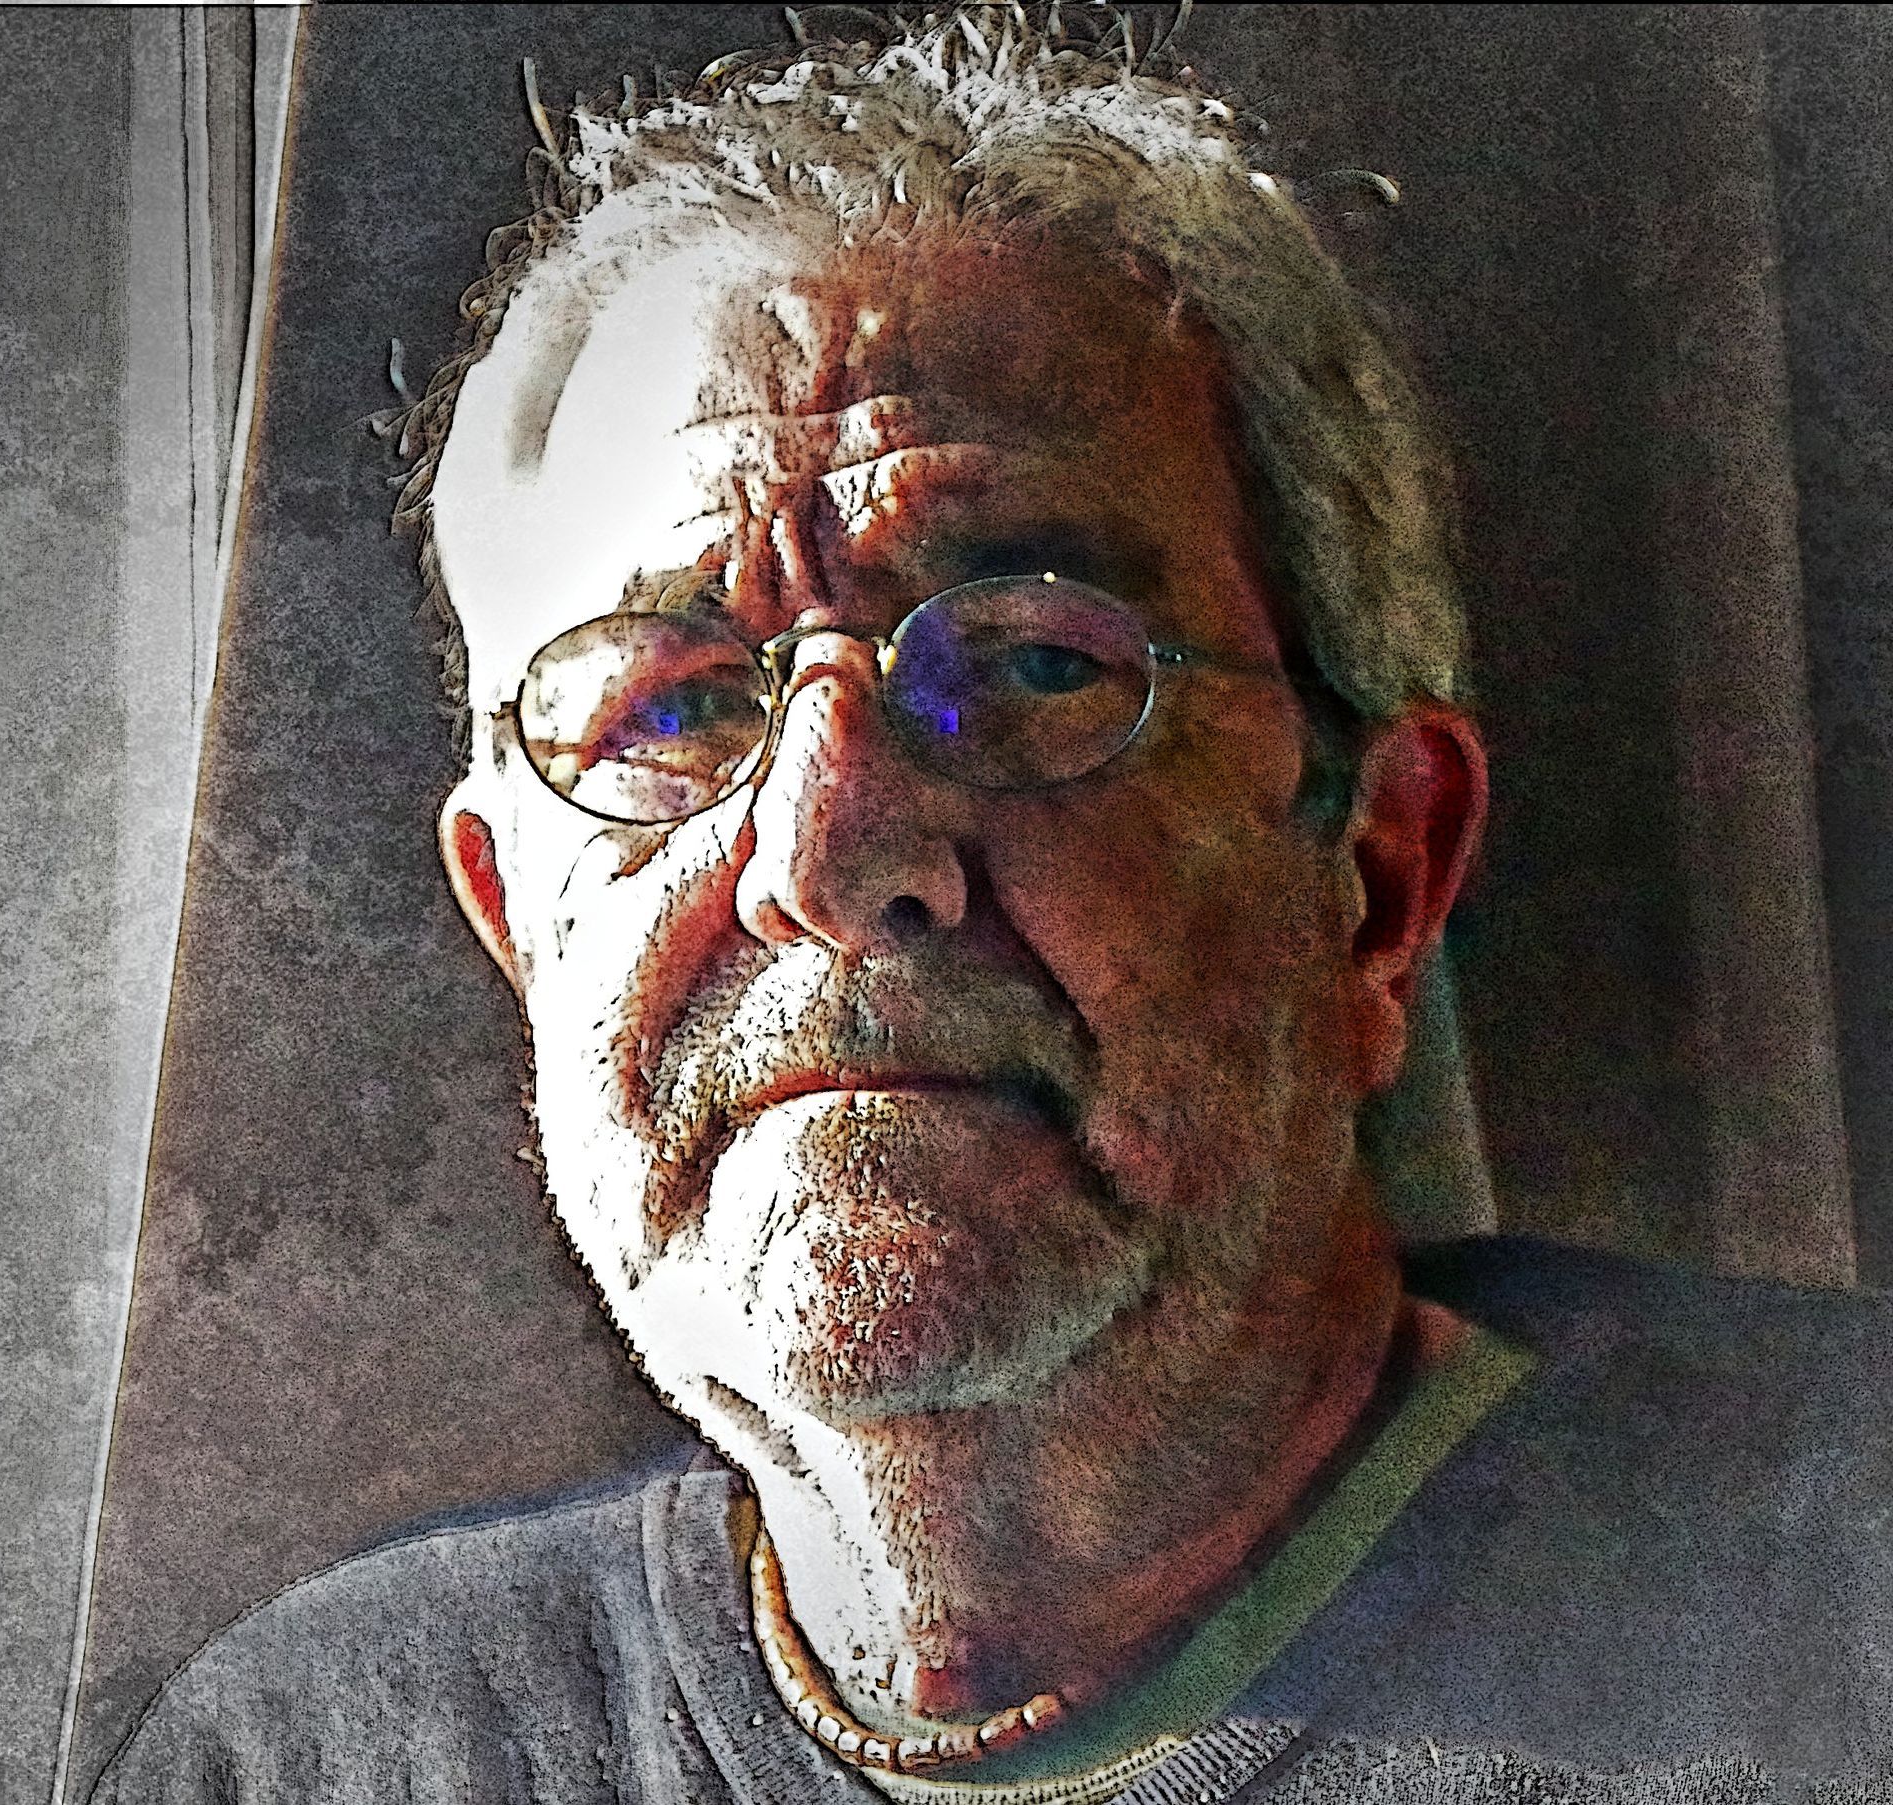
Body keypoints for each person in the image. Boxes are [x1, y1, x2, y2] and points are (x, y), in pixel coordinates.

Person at [96, 10, 1893, 1803]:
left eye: (1031, 662)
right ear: (517, 927)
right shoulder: (310, 1757)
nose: (826, 854)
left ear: (1378, 876)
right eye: (668, 708)